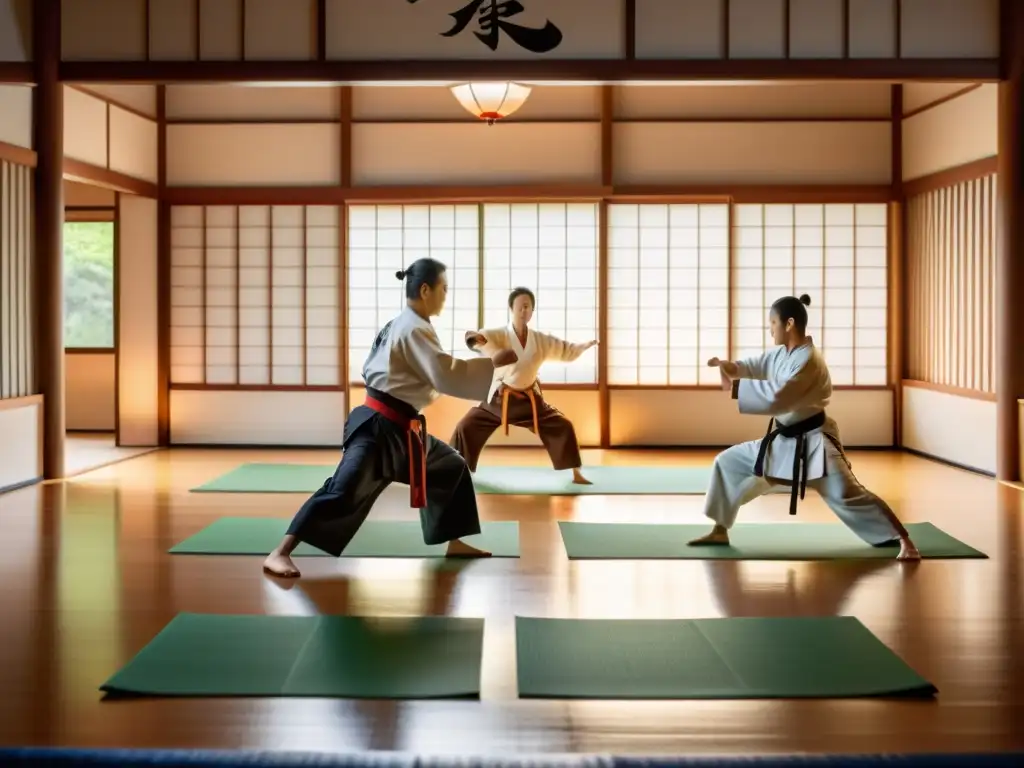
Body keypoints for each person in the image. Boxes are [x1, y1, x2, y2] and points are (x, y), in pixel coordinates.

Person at [263, 258, 518, 578]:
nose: (446, 295)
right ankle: (280, 552)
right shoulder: (413, 327)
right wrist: (493, 363)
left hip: (403, 428)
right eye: (444, 288)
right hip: (378, 427)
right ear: (425, 289)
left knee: (450, 466)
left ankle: (454, 541)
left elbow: (426, 369)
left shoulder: (406, 325)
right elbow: (444, 374)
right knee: (343, 491)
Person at [690, 293, 921, 561]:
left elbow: (780, 395)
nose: (770, 329)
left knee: (848, 494)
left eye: (772, 323)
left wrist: (735, 387)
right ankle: (720, 529)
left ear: (789, 324)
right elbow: (756, 365)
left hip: (815, 443)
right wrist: (731, 367)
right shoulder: (781, 354)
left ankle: (905, 540)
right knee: (727, 463)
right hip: (782, 441)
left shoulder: (809, 360)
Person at [449, 287, 597, 484]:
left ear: (532, 311)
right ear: (511, 308)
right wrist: (476, 339)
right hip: (499, 400)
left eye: (527, 307)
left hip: (529, 401)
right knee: (466, 426)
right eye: (519, 307)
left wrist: (582, 347)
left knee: (563, 426)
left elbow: (565, 350)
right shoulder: (500, 334)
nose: (523, 311)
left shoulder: (540, 340)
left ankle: (576, 473)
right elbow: (478, 338)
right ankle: (458, 471)